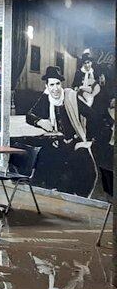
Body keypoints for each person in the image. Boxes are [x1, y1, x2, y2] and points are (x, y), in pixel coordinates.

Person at [26, 65, 94, 197]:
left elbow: (92, 115)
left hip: (75, 142)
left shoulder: (71, 97)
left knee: (83, 167)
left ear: (61, 84)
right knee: (42, 159)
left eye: (58, 84)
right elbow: (29, 115)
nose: (55, 88)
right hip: (58, 143)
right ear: (47, 86)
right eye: (52, 85)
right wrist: (40, 121)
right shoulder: (46, 98)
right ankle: (44, 194)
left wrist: (88, 140)